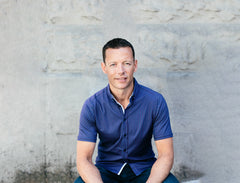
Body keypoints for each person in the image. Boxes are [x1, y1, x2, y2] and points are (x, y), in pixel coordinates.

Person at [74, 38, 179, 183]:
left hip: (145, 170)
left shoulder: (155, 101)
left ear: (135, 65)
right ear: (104, 68)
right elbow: (83, 159)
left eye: (127, 64)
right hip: (106, 171)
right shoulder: (92, 105)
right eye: (113, 65)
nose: (120, 71)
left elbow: (166, 155)